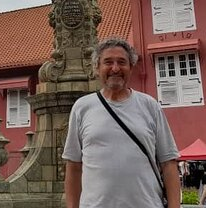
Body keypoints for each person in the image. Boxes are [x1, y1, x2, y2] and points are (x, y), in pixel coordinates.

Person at [63, 37, 181, 208]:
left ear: (131, 67)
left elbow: (168, 163)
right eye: (108, 62)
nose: (115, 68)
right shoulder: (82, 107)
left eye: (122, 62)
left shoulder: (150, 106)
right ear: (97, 68)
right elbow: (73, 166)